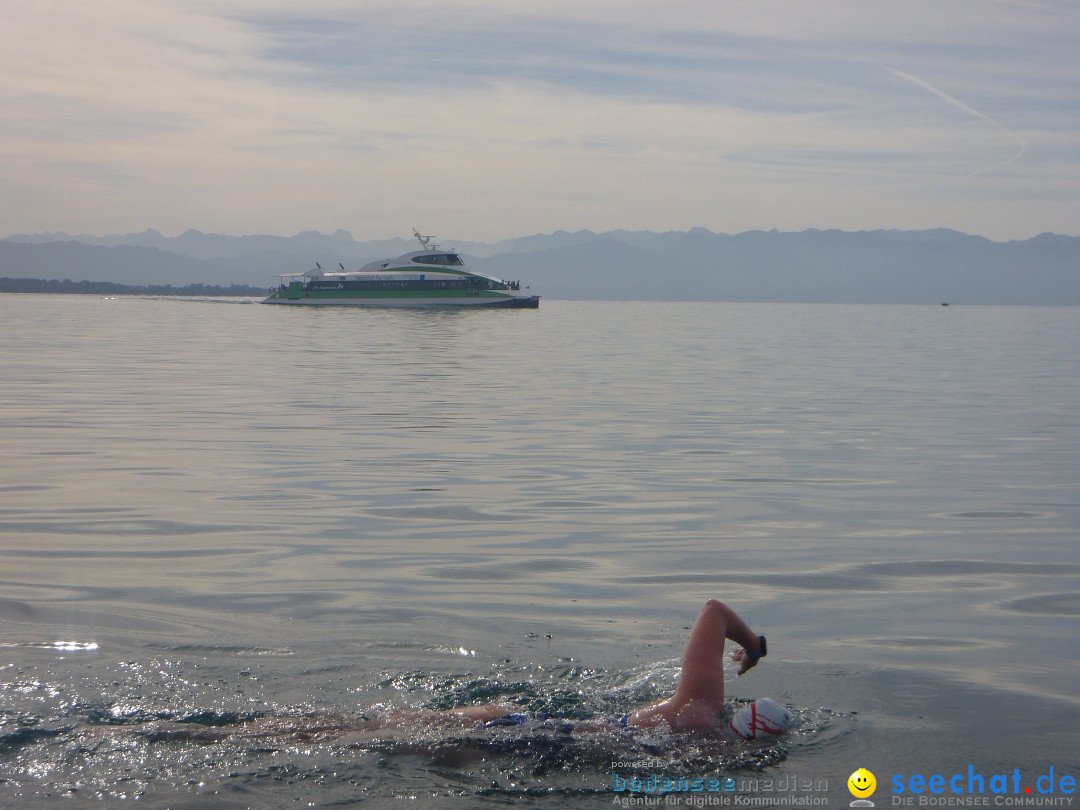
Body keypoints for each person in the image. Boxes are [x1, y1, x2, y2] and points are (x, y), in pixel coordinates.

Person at [116, 599, 786, 743]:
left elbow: (712, 609)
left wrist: (752, 645)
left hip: (521, 722)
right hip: (529, 740)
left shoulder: (697, 702)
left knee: (369, 726)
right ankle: (206, 738)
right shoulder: (705, 732)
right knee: (368, 734)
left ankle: (209, 733)